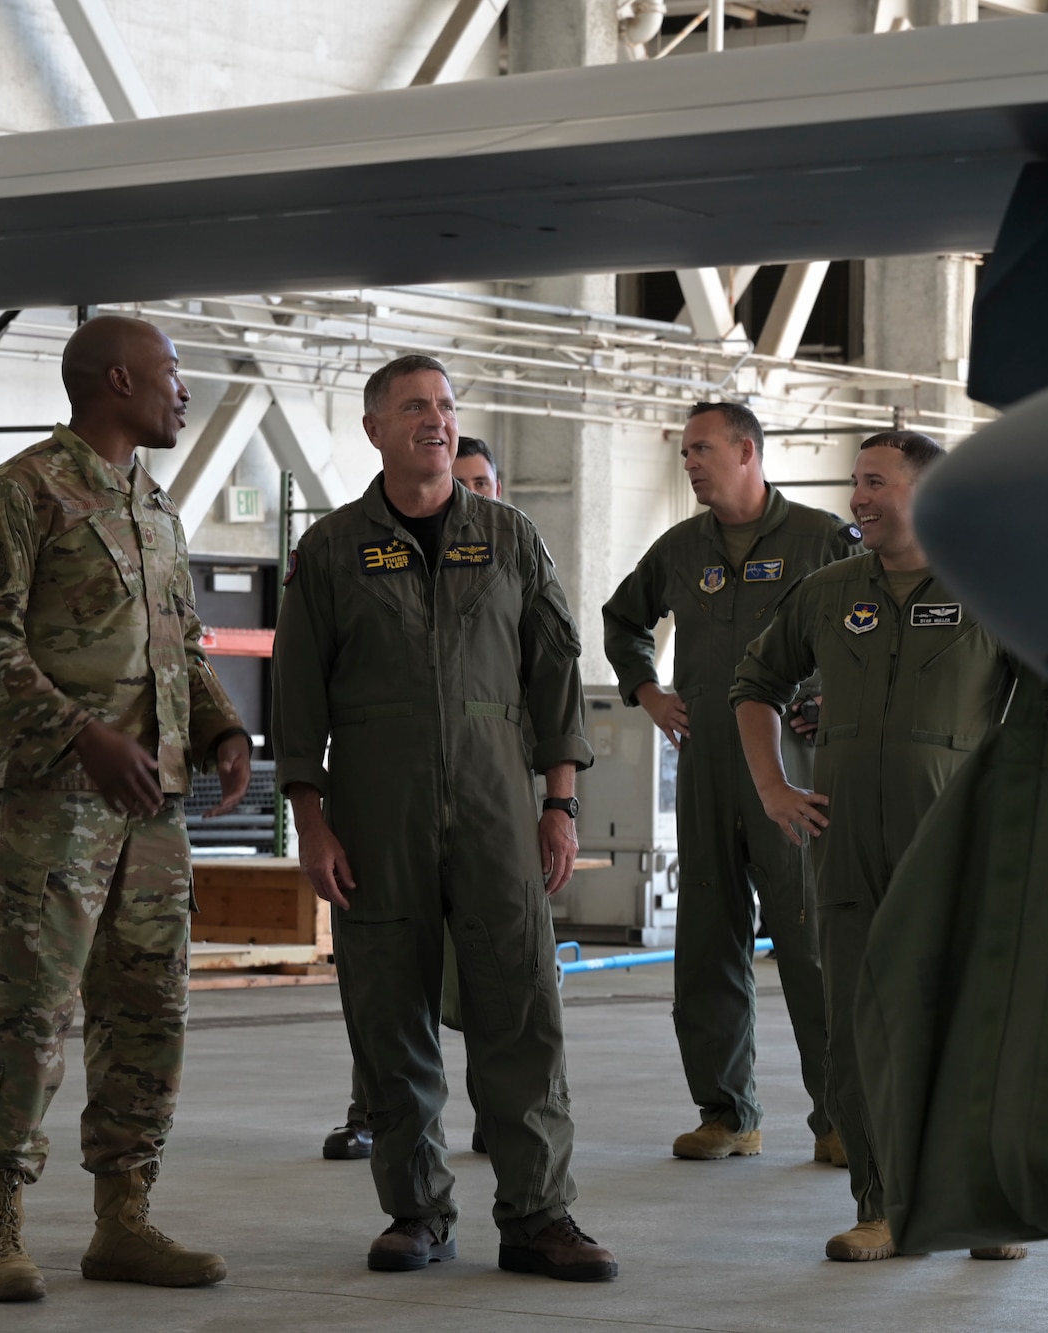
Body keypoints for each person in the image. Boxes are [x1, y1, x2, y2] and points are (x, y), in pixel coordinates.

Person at [274, 354, 617, 1282]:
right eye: (415, 407)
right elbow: (298, 696)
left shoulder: (509, 537)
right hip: (376, 816)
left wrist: (560, 804)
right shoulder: (333, 551)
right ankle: (416, 1210)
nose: (436, 419)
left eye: (447, 406)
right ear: (375, 427)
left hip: (500, 810)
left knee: (522, 1011)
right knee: (390, 1014)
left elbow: (554, 677)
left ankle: (540, 1213)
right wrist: (311, 819)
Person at [0, 315, 252, 1302]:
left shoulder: (153, 506)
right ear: (115, 380)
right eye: (169, 376)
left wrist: (220, 730)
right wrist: (82, 734)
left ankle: (123, 1217)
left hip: (153, 809)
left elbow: (182, 646)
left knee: (148, 1009)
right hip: (54, 804)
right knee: (31, 1010)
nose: (182, 394)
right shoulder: (21, 493)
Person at [731, 430, 1020, 1264]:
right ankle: (881, 1207)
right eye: (856, 481)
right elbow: (754, 686)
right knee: (863, 1029)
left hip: (955, 847)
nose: (859, 497)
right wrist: (773, 787)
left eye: (876, 482)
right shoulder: (827, 592)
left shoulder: (992, 588)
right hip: (847, 844)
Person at [603, 401, 857, 1164]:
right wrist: (646, 691)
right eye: (684, 454)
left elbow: (870, 633)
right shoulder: (682, 548)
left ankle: (843, 1117)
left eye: (701, 449)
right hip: (707, 764)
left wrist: (831, 704)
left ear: (747, 450)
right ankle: (726, 1111)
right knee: (708, 937)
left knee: (810, 943)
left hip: (791, 773)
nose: (689, 464)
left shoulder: (823, 539)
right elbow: (624, 619)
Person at [322, 433, 502, 1163]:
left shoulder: (509, 563)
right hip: (395, 802)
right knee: (387, 974)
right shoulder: (361, 555)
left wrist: (557, 804)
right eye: (465, 482)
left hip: (490, 802)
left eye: (485, 483)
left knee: (496, 975)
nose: (474, 495)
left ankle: (500, 1108)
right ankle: (374, 1107)